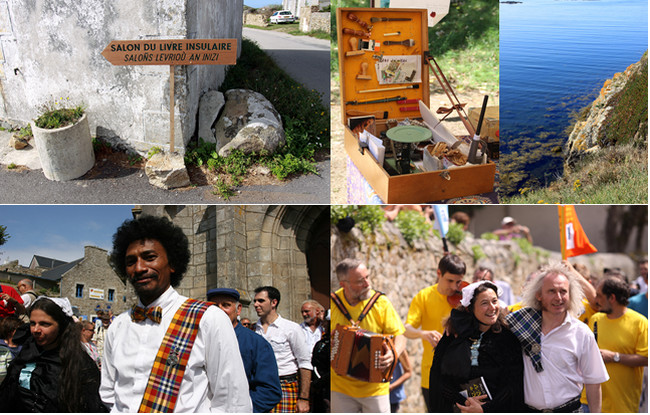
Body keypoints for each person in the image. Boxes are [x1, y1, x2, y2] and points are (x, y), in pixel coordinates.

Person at [100, 215, 251, 412]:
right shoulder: (118, 325)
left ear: (172, 264)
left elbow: (233, 401)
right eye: (130, 261)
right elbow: (109, 394)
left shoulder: (208, 318)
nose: (139, 268)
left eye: (150, 257)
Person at [506, 263, 609, 412]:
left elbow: (594, 382)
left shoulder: (581, 333)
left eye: (563, 291)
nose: (558, 297)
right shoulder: (520, 325)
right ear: (539, 295)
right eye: (551, 291)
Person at [429, 281, 524, 413]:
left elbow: (513, 384)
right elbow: (439, 379)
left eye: (494, 301)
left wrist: (485, 409)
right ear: (470, 308)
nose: (492, 308)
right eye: (484, 303)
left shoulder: (507, 338)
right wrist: (466, 404)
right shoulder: (453, 336)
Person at [0, 297, 107, 412]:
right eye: (32, 323)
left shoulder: (78, 363)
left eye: (44, 324)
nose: (36, 329)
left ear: (61, 326)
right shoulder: (26, 354)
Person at [331, 258, 406, 413]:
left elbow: (400, 336)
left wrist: (393, 353)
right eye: (360, 281)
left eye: (367, 277)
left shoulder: (380, 303)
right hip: (339, 388)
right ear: (343, 284)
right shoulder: (333, 303)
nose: (367, 284)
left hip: (375, 389)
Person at [404, 254, 466, 411]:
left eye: (458, 282)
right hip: (432, 375)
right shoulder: (424, 296)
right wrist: (422, 334)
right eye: (450, 281)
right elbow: (406, 329)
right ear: (439, 273)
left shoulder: (465, 299)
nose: (454, 287)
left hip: (463, 374)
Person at [207, 287, 282, 413]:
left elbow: (269, 391)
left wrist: (239, 409)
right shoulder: (201, 339)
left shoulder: (256, 343)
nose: (219, 311)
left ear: (238, 309)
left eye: (226, 305)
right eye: (214, 306)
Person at [581, 276, 648, 413]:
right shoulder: (595, 319)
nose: (596, 300)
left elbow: (646, 359)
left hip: (622, 406)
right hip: (589, 402)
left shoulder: (640, 322)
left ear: (612, 298)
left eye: (599, 296)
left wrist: (614, 357)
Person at [254, 286, 312, 413]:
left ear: (274, 302)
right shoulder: (253, 329)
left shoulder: (291, 328)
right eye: (255, 301)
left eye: (261, 301)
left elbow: (304, 363)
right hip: (259, 387)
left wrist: (304, 398)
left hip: (285, 385)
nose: (256, 304)